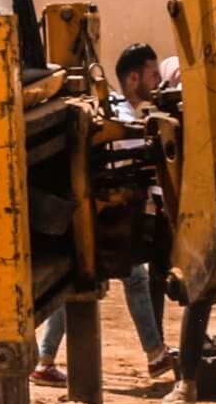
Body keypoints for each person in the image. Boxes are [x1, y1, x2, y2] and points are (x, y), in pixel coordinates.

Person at [34, 43, 170, 385]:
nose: (158, 83)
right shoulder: (121, 117)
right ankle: (155, 355)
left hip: (105, 212)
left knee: (78, 283)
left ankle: (44, 360)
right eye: (154, 76)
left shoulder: (132, 113)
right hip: (101, 213)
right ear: (134, 78)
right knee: (131, 277)